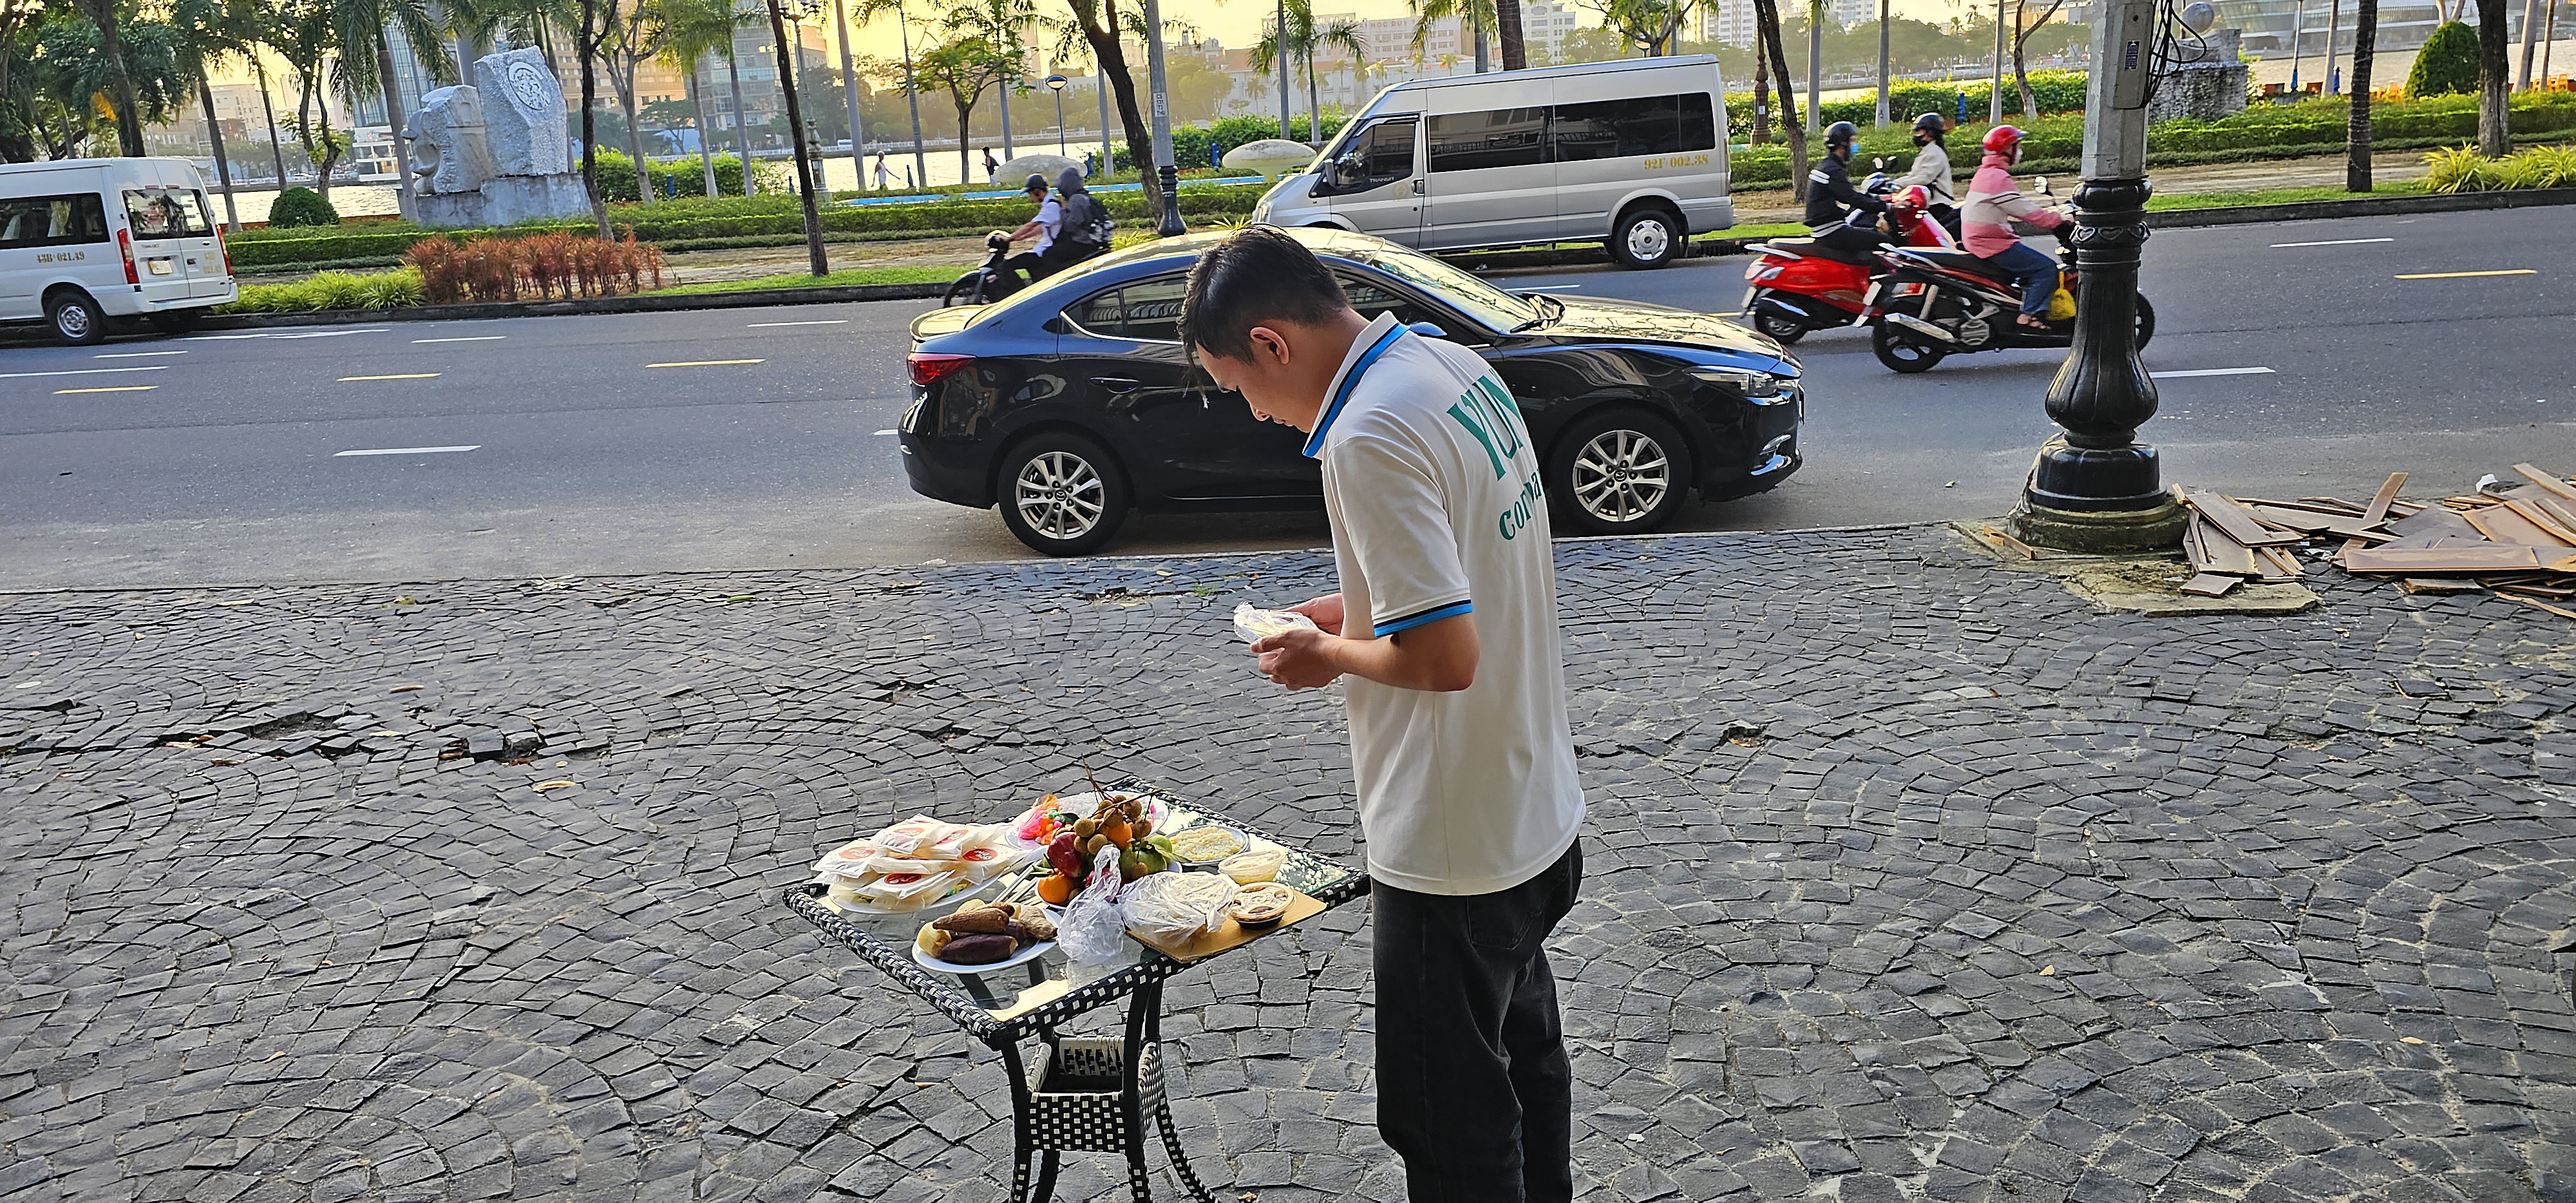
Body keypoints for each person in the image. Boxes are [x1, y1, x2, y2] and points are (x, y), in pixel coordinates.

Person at [1181, 227, 1585, 1203]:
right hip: (1535, 808)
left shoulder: (1366, 433)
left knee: (1446, 1122)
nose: (1255, 412)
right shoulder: (1446, 366)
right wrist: (1345, 611)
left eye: (1238, 386)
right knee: (1528, 1069)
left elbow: (1444, 658)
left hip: (1452, 848)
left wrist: (1328, 657)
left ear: (1273, 344)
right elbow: (1461, 572)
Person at [1960, 124, 2069, 330]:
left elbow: (2021, 205)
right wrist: (2058, 222)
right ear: (2007, 149)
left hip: (1983, 240)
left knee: (2026, 268)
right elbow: (2027, 212)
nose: (2019, 151)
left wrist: (2053, 217)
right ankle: (2028, 317)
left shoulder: (1987, 174)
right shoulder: (1997, 179)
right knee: (2045, 269)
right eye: (2016, 146)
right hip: (1990, 243)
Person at [1802, 121, 1888, 257]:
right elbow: (1852, 198)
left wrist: (1878, 199)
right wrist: (1886, 206)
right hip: (1831, 231)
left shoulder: (1827, 166)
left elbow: (1849, 195)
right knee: (1886, 242)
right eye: (1852, 141)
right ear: (1843, 145)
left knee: (1868, 231)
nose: (1855, 145)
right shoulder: (1832, 170)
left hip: (1827, 228)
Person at [1889, 112, 1958, 235]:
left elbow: (1924, 178)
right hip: (1927, 201)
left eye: (1919, 131)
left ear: (1930, 133)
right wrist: (1893, 182)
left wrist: (1895, 183)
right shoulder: (1928, 151)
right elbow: (1914, 176)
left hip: (1937, 204)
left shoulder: (1934, 153)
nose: (1916, 135)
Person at [998, 174, 1063, 289]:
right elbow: (1041, 228)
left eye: (1030, 194)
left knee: (1006, 266)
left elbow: (1031, 225)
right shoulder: (1051, 204)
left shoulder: (1051, 206)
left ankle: (1019, 293)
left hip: (1046, 250)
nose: (1030, 197)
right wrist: (1021, 238)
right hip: (1044, 248)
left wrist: (1009, 238)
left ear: (1037, 192)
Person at [1050, 167, 1111, 265]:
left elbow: (1071, 226)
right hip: (1095, 242)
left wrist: (1063, 212)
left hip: (1083, 243)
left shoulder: (1075, 199)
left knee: (1048, 255)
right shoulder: (1086, 197)